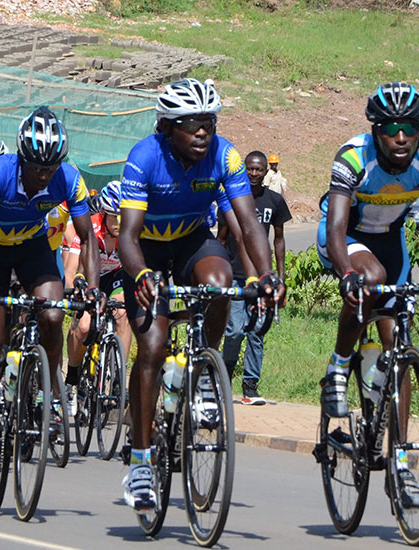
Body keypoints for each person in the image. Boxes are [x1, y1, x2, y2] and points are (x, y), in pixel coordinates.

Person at [118, 79, 281, 513]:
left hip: (191, 239)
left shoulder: (225, 155)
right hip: (147, 249)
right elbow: (127, 238)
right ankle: (138, 458)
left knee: (221, 281)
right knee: (152, 346)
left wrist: (266, 275)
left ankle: (205, 372)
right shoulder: (144, 158)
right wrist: (143, 275)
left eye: (208, 122)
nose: (202, 132)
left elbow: (249, 224)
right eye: (191, 124)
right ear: (168, 127)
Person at [317, 82, 419, 507]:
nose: (401, 138)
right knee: (368, 279)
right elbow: (335, 228)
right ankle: (339, 366)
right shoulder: (353, 156)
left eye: (409, 128)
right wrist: (346, 274)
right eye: (390, 129)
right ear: (375, 131)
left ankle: (398, 464)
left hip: (390, 241)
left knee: (398, 348)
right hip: (345, 237)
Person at [0, 106, 100, 468]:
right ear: (21, 159)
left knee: (52, 314)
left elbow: (88, 237)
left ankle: (47, 399)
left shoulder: (69, 178)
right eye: (37, 167)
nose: (43, 175)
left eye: (50, 168)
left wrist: (93, 287)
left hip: (33, 248)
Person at [218, 151, 291, 405]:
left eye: (259, 170)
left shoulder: (275, 201)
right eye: (250, 169)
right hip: (236, 278)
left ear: (266, 172)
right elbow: (222, 238)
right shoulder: (233, 201)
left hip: (263, 280)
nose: (254, 174)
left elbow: (279, 241)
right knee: (236, 330)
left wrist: (279, 278)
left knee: (257, 331)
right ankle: (224, 378)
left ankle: (250, 387)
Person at [64, 181, 131, 415]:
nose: (119, 223)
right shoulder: (89, 228)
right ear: (103, 213)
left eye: (124, 216)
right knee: (83, 327)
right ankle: (72, 376)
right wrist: (76, 289)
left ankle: (118, 378)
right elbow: (71, 272)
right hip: (88, 275)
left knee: (123, 312)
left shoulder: (130, 230)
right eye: (114, 217)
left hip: (115, 277)